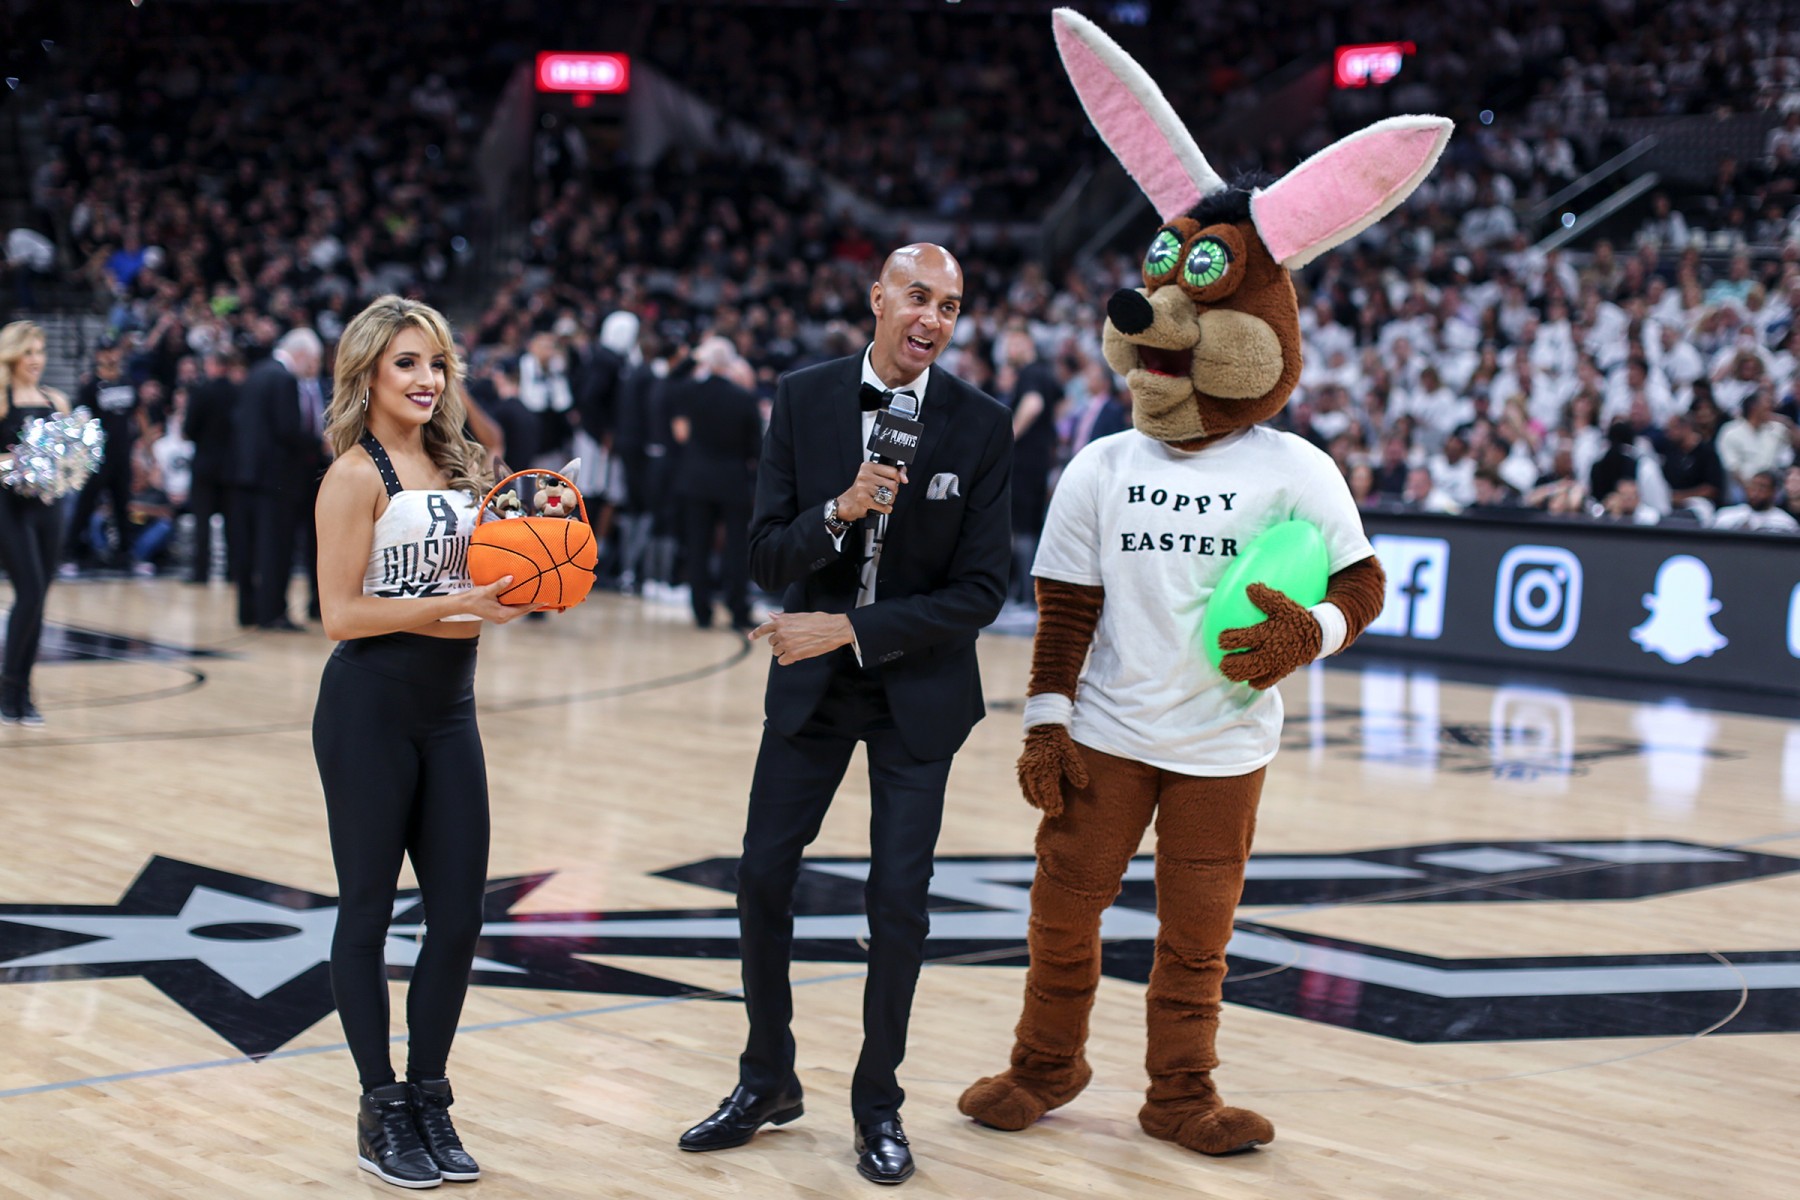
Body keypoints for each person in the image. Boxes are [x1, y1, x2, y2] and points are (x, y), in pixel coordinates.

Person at [678, 244, 1011, 1185]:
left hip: (918, 690)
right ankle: (767, 1079)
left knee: (898, 902)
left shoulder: (981, 424)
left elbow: (982, 590)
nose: (933, 318)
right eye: (918, 297)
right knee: (760, 876)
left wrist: (850, 630)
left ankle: (878, 1103)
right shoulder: (803, 397)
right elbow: (764, 556)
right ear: (878, 299)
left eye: (950, 306)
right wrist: (841, 507)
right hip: (814, 686)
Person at [311, 296, 538, 1190]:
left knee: (459, 915)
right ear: (367, 372)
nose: (427, 379)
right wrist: (458, 604)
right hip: (368, 709)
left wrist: (539, 568)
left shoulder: (462, 463)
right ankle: (380, 1107)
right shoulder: (353, 476)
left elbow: (493, 575)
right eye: (407, 362)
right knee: (367, 912)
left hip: (452, 710)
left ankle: (429, 1096)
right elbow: (340, 615)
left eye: (437, 363)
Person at [232, 328, 328, 629]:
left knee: (250, 548)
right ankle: (273, 612)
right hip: (277, 478)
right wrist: (321, 444)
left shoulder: (257, 372)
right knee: (276, 547)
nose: (313, 367)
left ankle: (249, 611)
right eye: (313, 360)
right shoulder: (285, 379)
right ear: (302, 354)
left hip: (246, 475)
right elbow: (287, 429)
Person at [0, 321, 71, 725]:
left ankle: (24, 692)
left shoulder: (55, 400)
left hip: (49, 507)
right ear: (11, 355)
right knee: (28, 592)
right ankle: (8, 688)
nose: (36, 360)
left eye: (40, 352)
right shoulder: (1, 400)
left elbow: (70, 458)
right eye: (28, 352)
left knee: (40, 597)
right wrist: (18, 463)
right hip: (8, 508)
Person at [667, 336, 762, 630]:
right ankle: (738, 609)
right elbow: (756, 448)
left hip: (695, 479)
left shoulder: (691, 391)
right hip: (733, 480)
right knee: (735, 549)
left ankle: (701, 610)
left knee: (698, 547)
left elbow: (671, 380)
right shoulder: (744, 397)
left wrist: (693, 358)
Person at [64, 339, 138, 568]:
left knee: (122, 504)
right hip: (97, 456)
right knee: (86, 504)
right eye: (105, 351)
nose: (110, 356)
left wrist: (145, 446)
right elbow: (80, 420)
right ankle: (70, 553)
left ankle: (124, 555)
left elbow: (138, 414)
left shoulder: (128, 382)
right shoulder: (90, 386)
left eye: (113, 350)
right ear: (98, 356)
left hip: (122, 454)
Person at [183, 349, 242, 584]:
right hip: (230, 466)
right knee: (232, 523)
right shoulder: (237, 392)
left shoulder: (201, 392)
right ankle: (233, 571)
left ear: (215, 365)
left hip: (205, 464)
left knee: (202, 522)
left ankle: (201, 573)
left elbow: (189, 429)